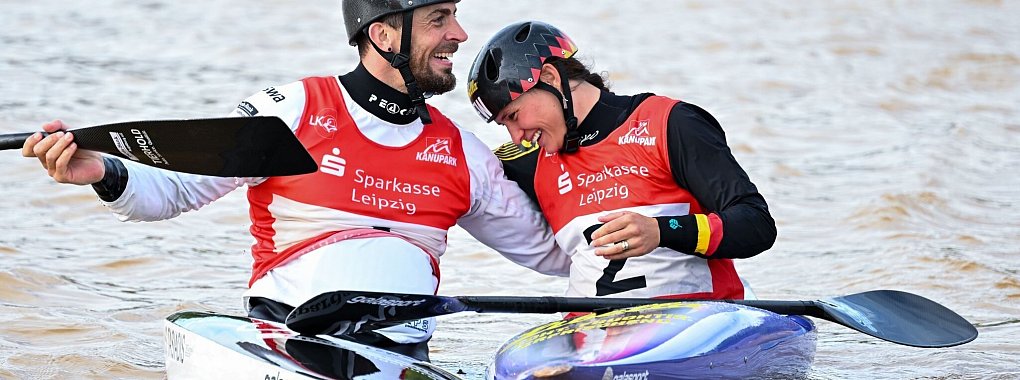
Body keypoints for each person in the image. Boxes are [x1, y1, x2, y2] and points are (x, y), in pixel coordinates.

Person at [21, 2, 571, 361]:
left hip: (398, 357)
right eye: (439, 19)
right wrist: (104, 171)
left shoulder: (462, 152)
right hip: (286, 345)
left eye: (454, 16)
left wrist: (606, 210)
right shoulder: (293, 110)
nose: (460, 34)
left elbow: (549, 253)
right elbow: (176, 190)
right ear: (382, 33)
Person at [468, 21, 776, 303]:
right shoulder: (530, 162)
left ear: (550, 78)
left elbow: (756, 225)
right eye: (504, 125)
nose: (517, 137)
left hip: (694, 318)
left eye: (514, 116)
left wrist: (662, 231)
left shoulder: (669, 123)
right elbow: (454, 171)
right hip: (590, 329)